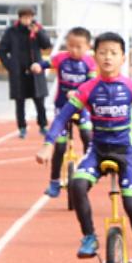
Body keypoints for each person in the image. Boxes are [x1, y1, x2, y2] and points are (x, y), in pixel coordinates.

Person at [36, 32, 132, 263]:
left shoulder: (131, 87)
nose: (108, 57)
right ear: (95, 56)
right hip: (98, 150)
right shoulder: (87, 88)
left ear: (123, 58)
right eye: (103, 52)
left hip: (125, 152)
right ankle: (89, 237)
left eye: (113, 53)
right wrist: (48, 145)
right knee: (77, 184)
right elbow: (62, 118)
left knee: (130, 202)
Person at [35, 27, 95, 197]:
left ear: (87, 47)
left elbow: (91, 83)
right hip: (62, 106)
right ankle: (54, 182)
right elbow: (47, 63)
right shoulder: (61, 58)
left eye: (78, 46)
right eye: (70, 45)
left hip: (82, 107)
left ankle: (88, 168)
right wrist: (38, 66)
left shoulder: (89, 63)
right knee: (60, 146)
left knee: (87, 135)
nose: (74, 50)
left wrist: (78, 93)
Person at [0, 7, 52, 137]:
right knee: (20, 101)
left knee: (40, 100)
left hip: (35, 72)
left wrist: (39, 33)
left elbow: (46, 45)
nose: (28, 20)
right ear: (20, 18)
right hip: (18, 72)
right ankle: (22, 127)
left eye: (30, 17)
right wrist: (10, 65)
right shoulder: (11, 32)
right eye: (25, 17)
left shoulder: (37, 29)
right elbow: (2, 50)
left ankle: (42, 125)